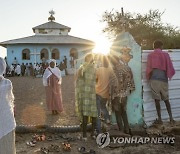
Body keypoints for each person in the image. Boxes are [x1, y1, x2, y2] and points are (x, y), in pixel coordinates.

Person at [146, 40, 175, 124]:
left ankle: (160, 119)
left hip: (154, 80)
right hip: (164, 80)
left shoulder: (150, 55)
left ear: (154, 46)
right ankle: (171, 118)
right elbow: (170, 67)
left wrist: (149, 78)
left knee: (157, 100)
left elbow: (149, 68)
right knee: (166, 99)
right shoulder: (166, 55)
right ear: (161, 46)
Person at [110, 47, 135, 134]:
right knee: (124, 111)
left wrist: (111, 95)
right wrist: (130, 89)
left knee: (117, 112)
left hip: (116, 95)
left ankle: (121, 131)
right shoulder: (127, 68)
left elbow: (112, 84)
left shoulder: (113, 70)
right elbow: (131, 80)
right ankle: (127, 129)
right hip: (125, 94)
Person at [75, 53, 97, 140]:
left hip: (84, 95)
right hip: (93, 95)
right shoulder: (95, 68)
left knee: (85, 114)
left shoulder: (82, 68)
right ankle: (93, 134)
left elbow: (78, 81)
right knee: (93, 115)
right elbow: (97, 80)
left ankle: (84, 135)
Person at [0, 57, 16, 154]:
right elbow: (10, 99)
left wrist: (13, 110)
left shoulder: (7, 83)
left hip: (6, 117)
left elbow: (11, 99)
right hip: (7, 117)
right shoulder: (7, 83)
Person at [95, 55, 112, 134]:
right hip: (106, 93)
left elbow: (95, 79)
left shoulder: (98, 70)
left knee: (98, 112)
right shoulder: (110, 70)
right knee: (103, 107)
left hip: (98, 92)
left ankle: (98, 130)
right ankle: (107, 119)